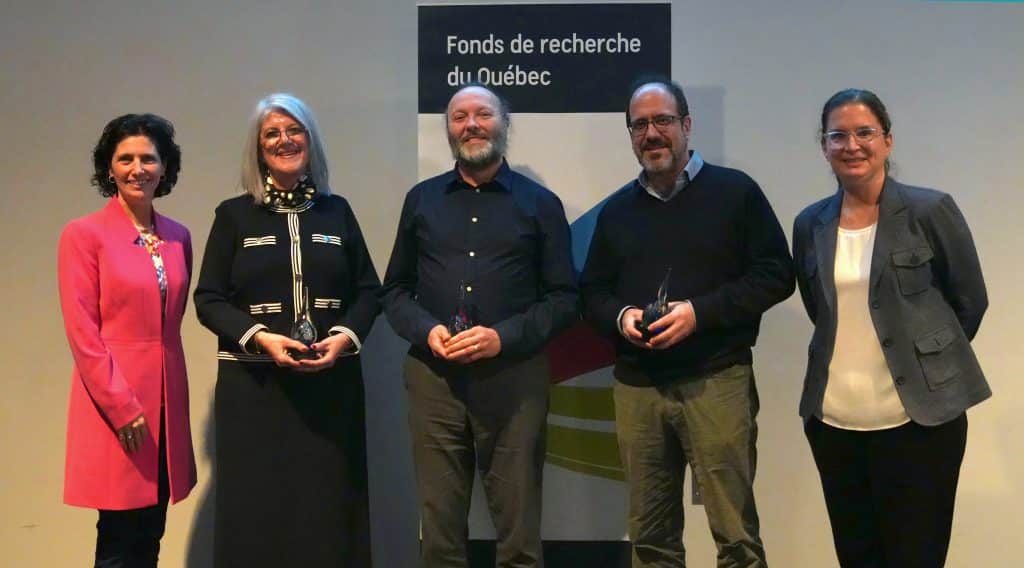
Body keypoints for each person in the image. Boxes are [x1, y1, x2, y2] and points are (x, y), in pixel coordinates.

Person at [580, 79, 793, 567]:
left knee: (736, 537)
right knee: (651, 541)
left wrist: (699, 314)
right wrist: (622, 316)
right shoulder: (616, 211)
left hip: (716, 382)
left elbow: (777, 275)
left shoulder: (735, 192)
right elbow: (590, 293)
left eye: (663, 121)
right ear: (630, 135)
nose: (651, 133)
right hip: (638, 390)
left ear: (687, 125)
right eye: (640, 125)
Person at [379, 83, 578, 567]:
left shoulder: (540, 204)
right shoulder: (422, 201)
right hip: (434, 380)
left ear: (503, 124)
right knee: (441, 530)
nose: (471, 124)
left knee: (519, 531)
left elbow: (565, 298)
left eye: (483, 114)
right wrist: (427, 330)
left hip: (514, 379)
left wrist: (502, 338)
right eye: (459, 116)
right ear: (448, 129)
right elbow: (395, 291)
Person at [792, 88, 991, 568]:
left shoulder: (930, 210)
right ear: (824, 146)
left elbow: (970, 301)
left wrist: (924, 360)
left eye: (865, 132)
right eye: (838, 135)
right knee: (857, 557)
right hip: (835, 422)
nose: (851, 145)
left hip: (920, 422)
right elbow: (822, 309)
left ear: (887, 141)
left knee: (915, 557)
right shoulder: (809, 223)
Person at [194, 93, 380, 566]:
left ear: (310, 141)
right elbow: (209, 299)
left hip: (330, 386)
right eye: (272, 133)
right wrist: (260, 337)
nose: (285, 140)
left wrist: (343, 338)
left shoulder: (337, 212)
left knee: (329, 508)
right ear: (258, 149)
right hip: (254, 388)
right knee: (257, 510)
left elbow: (368, 292)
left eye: (294, 130)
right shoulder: (233, 216)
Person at [58, 113, 197, 567]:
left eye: (148, 158)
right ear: (110, 168)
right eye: (126, 159)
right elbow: (83, 332)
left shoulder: (178, 236)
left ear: (164, 167)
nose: (138, 168)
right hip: (116, 402)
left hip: (165, 401)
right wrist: (120, 406)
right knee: (119, 537)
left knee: (151, 532)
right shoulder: (84, 235)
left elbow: (170, 323)